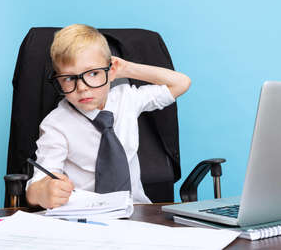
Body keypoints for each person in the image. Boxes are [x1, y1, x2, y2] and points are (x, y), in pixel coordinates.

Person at [25, 24, 191, 209]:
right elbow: (37, 185)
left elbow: (181, 83)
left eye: (93, 73)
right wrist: (43, 191)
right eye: (69, 78)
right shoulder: (56, 124)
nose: (82, 87)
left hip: (136, 210)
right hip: (85, 216)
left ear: (110, 71)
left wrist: (126, 68)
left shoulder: (126, 98)